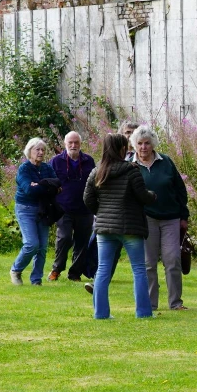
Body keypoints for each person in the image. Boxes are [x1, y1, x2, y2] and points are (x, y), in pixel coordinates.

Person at [82, 133, 155, 320]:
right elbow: (142, 196)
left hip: (105, 229)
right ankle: (143, 312)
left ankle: (101, 313)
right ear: (122, 149)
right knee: (138, 269)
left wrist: (102, 212)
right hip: (131, 227)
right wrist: (153, 195)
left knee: (103, 270)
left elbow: (87, 199)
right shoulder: (131, 170)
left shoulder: (97, 171)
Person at [133, 127, 190, 312]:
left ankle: (176, 302)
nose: (143, 147)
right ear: (134, 145)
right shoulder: (131, 166)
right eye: (140, 143)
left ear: (153, 144)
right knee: (148, 263)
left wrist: (184, 216)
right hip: (145, 219)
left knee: (172, 259)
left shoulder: (166, 161)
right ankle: (150, 303)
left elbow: (180, 191)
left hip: (171, 218)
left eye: (147, 143)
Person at [49, 132, 98, 283]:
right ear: (65, 144)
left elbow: (95, 182)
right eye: (70, 142)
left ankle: (75, 273)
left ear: (80, 144)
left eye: (76, 142)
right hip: (63, 209)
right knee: (64, 238)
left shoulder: (89, 161)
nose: (73, 145)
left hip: (85, 208)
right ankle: (57, 269)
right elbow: (49, 182)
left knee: (82, 242)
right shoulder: (56, 162)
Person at [11, 138, 60, 285]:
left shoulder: (47, 168)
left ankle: (36, 280)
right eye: (37, 149)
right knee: (32, 244)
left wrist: (39, 185)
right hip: (25, 209)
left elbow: (57, 186)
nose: (40, 152)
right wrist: (46, 185)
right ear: (29, 151)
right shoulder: (24, 169)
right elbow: (29, 190)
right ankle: (16, 270)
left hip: (43, 209)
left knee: (42, 247)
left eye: (43, 150)